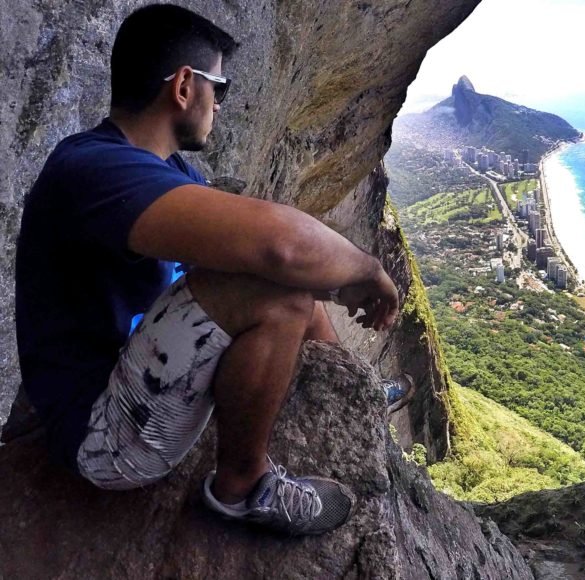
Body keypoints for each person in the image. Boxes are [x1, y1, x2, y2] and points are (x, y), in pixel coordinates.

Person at [14, 4, 410, 536]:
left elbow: (267, 252)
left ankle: (351, 396)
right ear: (183, 86)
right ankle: (242, 490)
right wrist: (366, 271)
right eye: (218, 89)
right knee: (279, 292)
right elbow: (280, 247)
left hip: (145, 375)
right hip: (102, 435)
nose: (220, 106)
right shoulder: (91, 170)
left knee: (286, 281)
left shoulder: (165, 170)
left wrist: (338, 337)